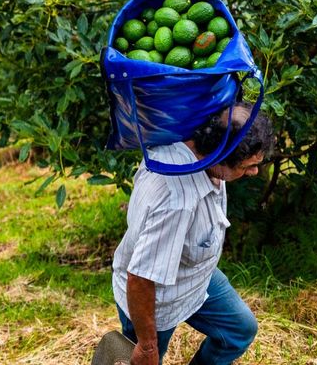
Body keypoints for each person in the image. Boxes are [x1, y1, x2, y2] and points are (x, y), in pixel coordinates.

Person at [111, 103, 275, 365]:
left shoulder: (199, 145)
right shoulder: (176, 203)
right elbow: (140, 279)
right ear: (218, 157)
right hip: (156, 299)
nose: (255, 172)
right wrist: (147, 346)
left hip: (195, 277)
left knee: (239, 330)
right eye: (246, 167)